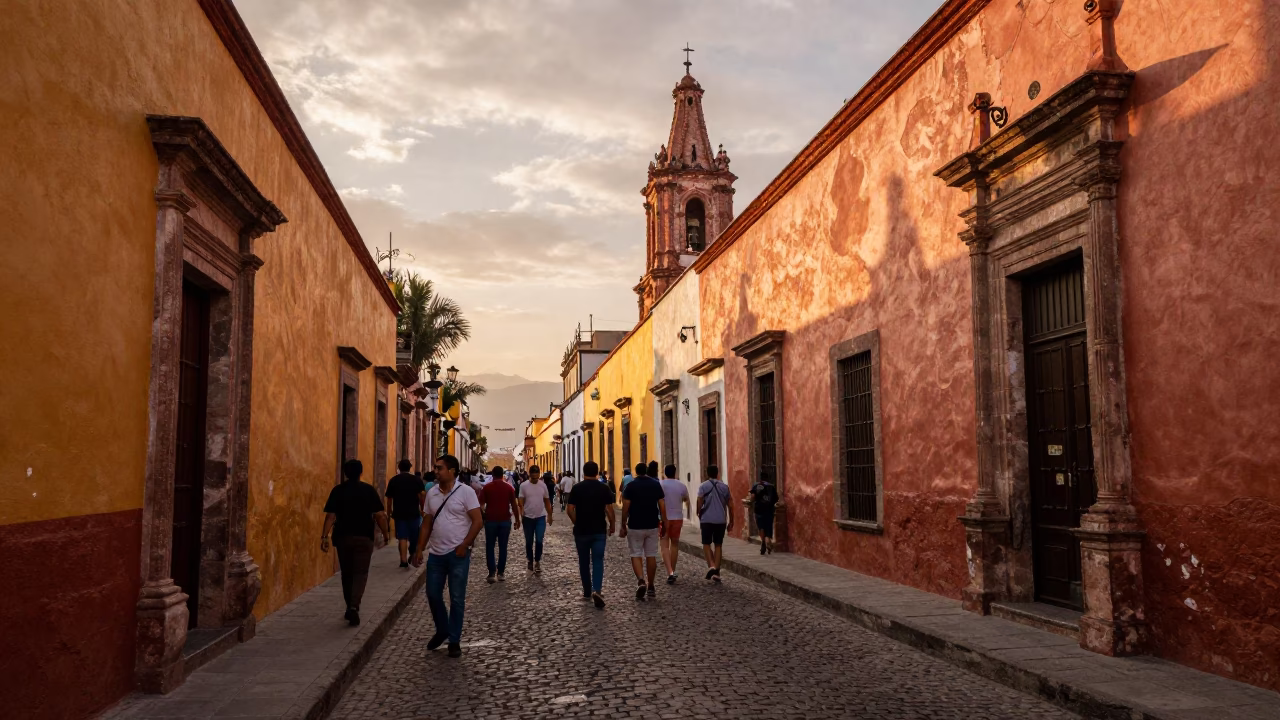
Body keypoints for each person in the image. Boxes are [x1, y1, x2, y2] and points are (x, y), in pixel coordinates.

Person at [412, 454, 483, 658]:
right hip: (436, 554)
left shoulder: (466, 492)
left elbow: (477, 521)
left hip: (458, 554)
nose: (435, 471)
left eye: (439, 468)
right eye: (435, 467)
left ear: (452, 471)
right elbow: (427, 522)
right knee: (433, 594)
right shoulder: (432, 493)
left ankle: (454, 640)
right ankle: (442, 628)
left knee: (457, 598)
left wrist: (464, 545)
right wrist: (419, 548)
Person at [321, 459, 390, 626]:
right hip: (364, 537)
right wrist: (386, 535)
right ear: (361, 472)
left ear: (345, 473)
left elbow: (330, 516)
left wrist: (324, 536)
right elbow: (380, 515)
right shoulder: (368, 490)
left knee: (347, 572)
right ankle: (353, 606)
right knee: (360, 573)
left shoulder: (338, 491)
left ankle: (349, 605)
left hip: (343, 537)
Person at [567, 461, 615, 608]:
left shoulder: (577, 488)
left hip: (581, 531)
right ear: (597, 472)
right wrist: (612, 525)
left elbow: (570, 509)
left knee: (583, 561)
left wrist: (577, 522)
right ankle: (597, 590)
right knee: (598, 560)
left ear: (583, 472)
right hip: (599, 530)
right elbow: (609, 510)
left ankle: (587, 590)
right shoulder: (604, 488)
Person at [620, 462, 667, 601]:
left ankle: (641, 580)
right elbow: (662, 505)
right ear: (646, 471)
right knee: (651, 555)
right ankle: (651, 586)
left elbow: (625, 507)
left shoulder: (631, 486)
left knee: (636, 554)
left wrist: (623, 523)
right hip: (652, 524)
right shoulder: (655, 484)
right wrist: (664, 522)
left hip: (635, 524)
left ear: (636, 471)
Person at [478, 465, 520, 583]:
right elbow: (514, 505)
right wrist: (517, 520)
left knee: (490, 546)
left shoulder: (486, 488)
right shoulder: (509, 488)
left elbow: (480, 505)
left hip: (490, 521)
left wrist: (483, 515)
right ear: (503, 475)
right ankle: (501, 573)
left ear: (492, 475)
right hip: (505, 521)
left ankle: (491, 573)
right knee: (503, 547)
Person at [385, 459, 426, 568]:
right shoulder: (416, 480)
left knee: (402, 537)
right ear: (410, 467)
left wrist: (389, 513)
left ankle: (403, 560)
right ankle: (412, 553)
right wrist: (423, 509)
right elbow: (421, 496)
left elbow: (389, 500)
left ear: (399, 468)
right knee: (414, 536)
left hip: (399, 513)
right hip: (413, 512)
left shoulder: (393, 480)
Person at [697, 465, 734, 583]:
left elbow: (699, 501)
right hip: (720, 520)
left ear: (707, 473)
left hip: (706, 519)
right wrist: (731, 520)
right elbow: (730, 504)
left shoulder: (703, 486)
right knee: (718, 545)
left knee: (706, 544)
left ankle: (712, 566)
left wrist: (698, 513)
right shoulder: (724, 487)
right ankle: (717, 572)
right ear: (717, 473)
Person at [658, 463, 690, 584]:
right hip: (678, 517)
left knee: (664, 544)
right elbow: (686, 500)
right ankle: (673, 569)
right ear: (675, 473)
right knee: (675, 544)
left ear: (665, 473)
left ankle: (670, 572)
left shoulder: (660, 484)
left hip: (664, 518)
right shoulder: (681, 485)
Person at [518, 464, 553, 573]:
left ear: (538, 475)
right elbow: (520, 500)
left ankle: (537, 560)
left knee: (539, 540)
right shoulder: (523, 486)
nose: (534, 479)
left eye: (536, 476)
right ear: (530, 475)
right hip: (528, 517)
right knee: (529, 541)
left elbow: (547, 501)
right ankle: (530, 559)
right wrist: (521, 511)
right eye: (533, 477)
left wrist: (550, 515)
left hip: (540, 517)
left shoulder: (543, 486)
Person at [749, 472, 781, 555]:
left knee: (761, 527)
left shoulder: (756, 485)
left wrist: (751, 501)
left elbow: (752, 497)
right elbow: (776, 499)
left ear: (760, 478)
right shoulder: (772, 486)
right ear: (768, 478)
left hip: (758, 509)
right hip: (769, 510)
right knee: (768, 527)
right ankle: (768, 540)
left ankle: (763, 541)